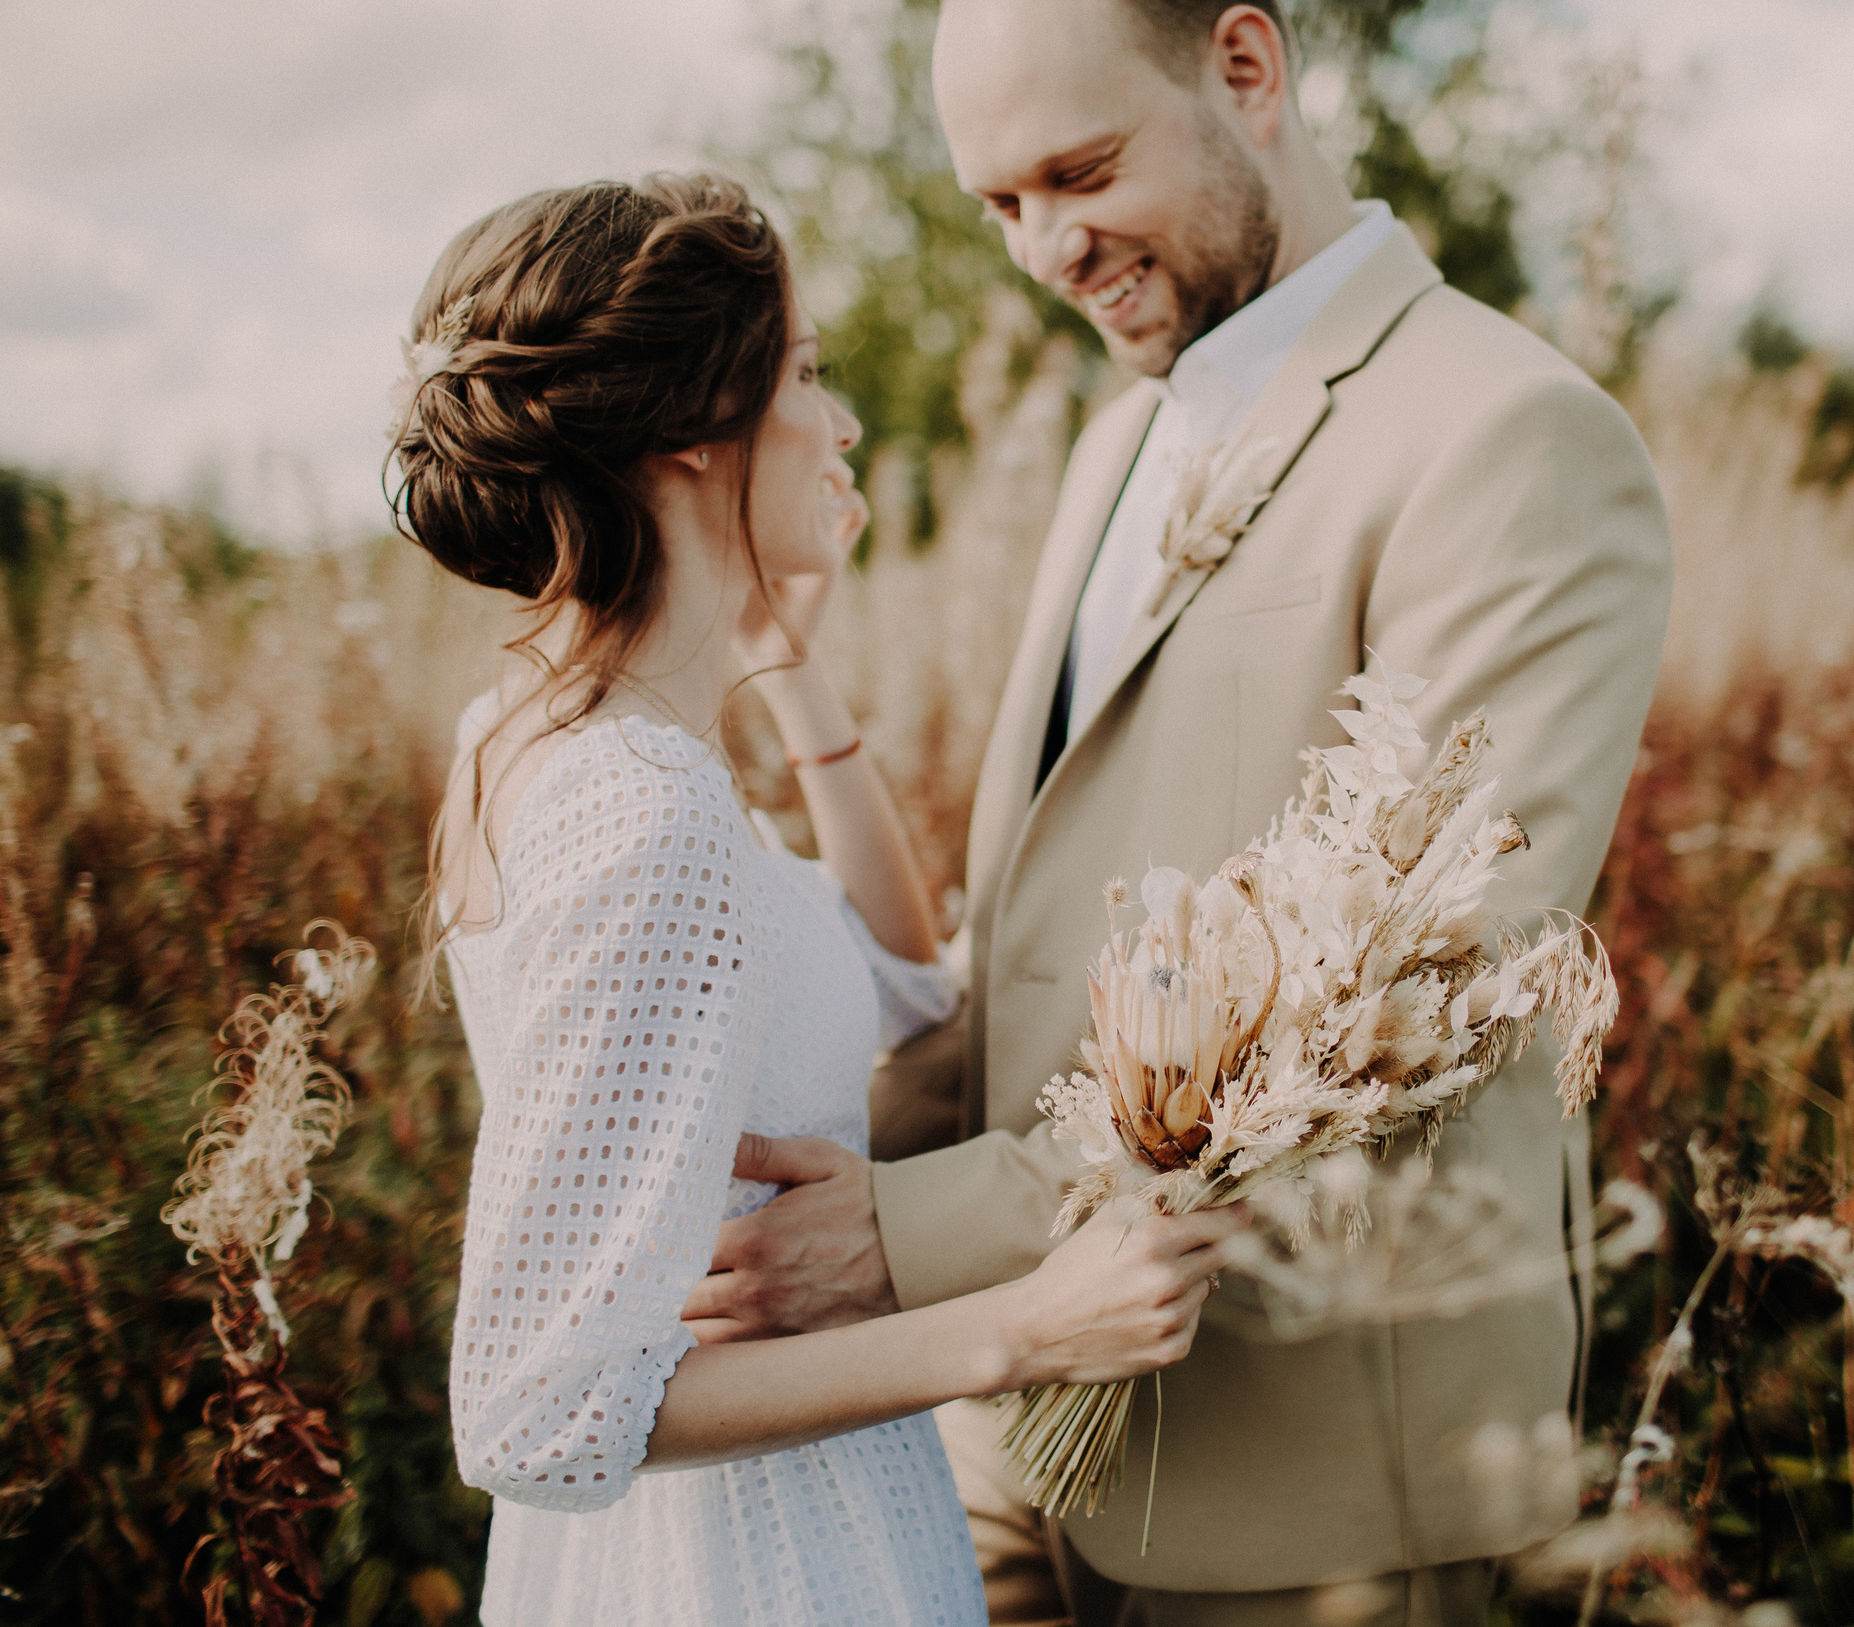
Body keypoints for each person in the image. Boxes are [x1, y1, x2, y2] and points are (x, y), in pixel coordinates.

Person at [689, 0, 1676, 1624]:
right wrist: (784, 1180)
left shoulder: (1509, 436)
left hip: (1309, 1482)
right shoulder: (1116, 443)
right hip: (1003, 1424)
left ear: (1247, 69)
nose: (1048, 250)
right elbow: (1039, 926)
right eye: (1000, 205)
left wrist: (909, 1235)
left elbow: (1398, 995)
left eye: (1080, 172)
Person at [390, 173, 1244, 1627]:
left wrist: (790, 672)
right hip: (749, 1563)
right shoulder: (634, 807)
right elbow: (538, 1411)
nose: (841, 423)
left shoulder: (538, 736)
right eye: (805, 372)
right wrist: (1025, 1330)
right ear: (685, 430)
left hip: (764, 1527)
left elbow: (904, 981)